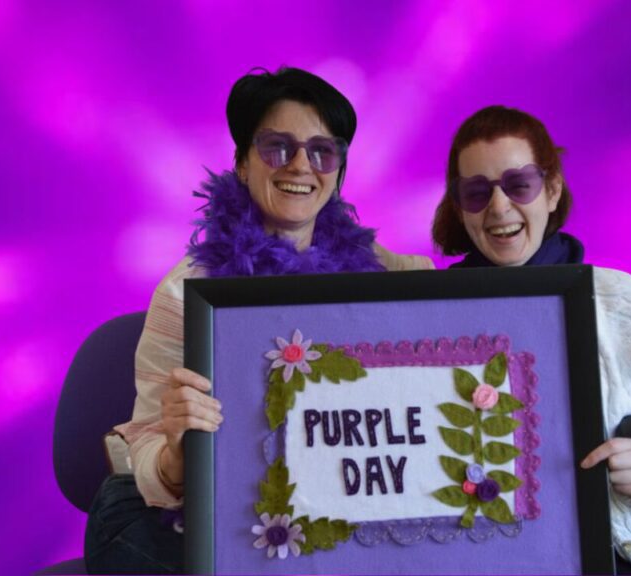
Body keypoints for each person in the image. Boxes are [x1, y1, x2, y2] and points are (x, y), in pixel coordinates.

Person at [84, 67, 433, 574]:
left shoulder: (377, 270)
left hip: (331, 508)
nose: (300, 165)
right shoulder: (188, 291)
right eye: (277, 147)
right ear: (243, 163)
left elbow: (457, 303)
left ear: (337, 171)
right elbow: (145, 443)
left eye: (322, 151)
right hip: (208, 517)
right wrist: (178, 454)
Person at [432, 105, 631, 574]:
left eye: (518, 184)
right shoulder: (426, 315)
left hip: (624, 558)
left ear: (550, 190)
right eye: (477, 192)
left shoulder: (623, 299)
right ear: (460, 209)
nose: (499, 206)